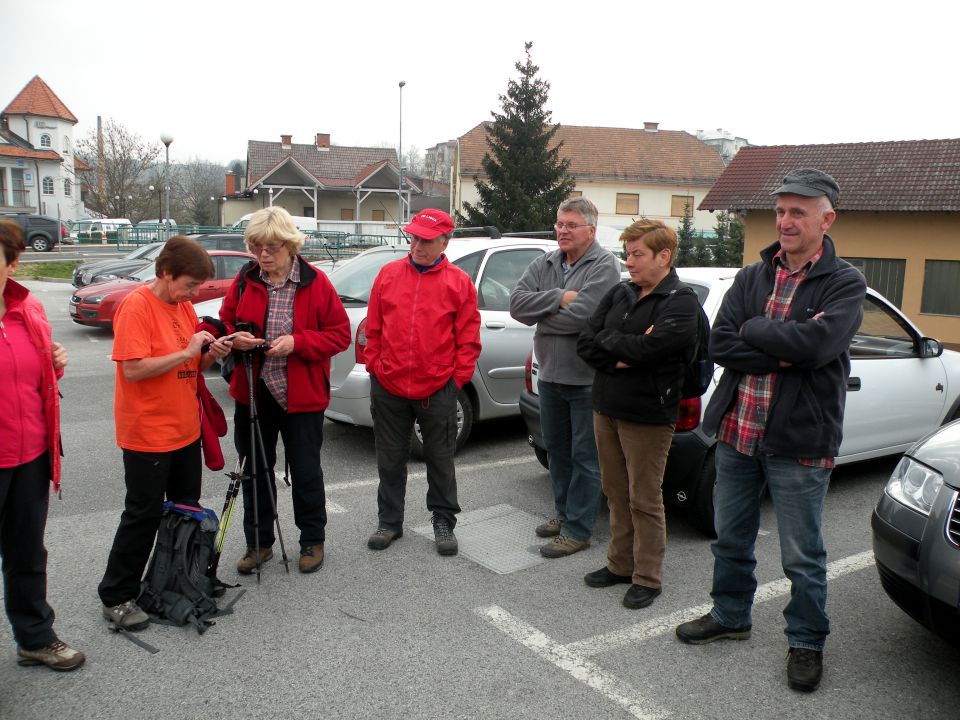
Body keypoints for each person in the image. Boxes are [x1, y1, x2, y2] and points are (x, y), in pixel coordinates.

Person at [675, 169, 867, 693]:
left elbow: (819, 346)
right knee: (730, 538)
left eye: (798, 211)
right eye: (781, 210)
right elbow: (720, 344)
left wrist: (759, 332)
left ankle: (806, 641)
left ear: (826, 219)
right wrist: (785, 349)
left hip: (800, 440)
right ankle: (730, 615)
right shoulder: (751, 276)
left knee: (802, 554)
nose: (785, 220)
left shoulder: (845, 282)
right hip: (738, 431)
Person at [98, 236, 231, 630]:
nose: (193, 293)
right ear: (165, 273)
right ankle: (117, 595)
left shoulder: (183, 305)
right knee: (143, 514)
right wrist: (189, 351)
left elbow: (190, 364)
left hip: (184, 427)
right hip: (147, 431)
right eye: (189, 284)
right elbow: (134, 369)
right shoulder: (136, 306)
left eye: (196, 287)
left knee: (185, 510)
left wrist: (210, 353)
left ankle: (180, 578)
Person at [219, 206, 350, 575]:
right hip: (253, 391)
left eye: (272, 247)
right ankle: (259, 543)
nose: (264, 254)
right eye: (257, 246)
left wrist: (298, 342)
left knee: (306, 471)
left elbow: (338, 334)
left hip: (302, 395)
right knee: (255, 471)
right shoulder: (246, 280)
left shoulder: (315, 282)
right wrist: (235, 336)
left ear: (291, 245)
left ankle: (312, 540)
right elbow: (226, 319)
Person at [577, 219, 698, 609]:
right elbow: (586, 342)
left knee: (644, 497)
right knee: (614, 492)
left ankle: (647, 576)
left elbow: (654, 350)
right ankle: (619, 564)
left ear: (663, 256)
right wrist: (621, 356)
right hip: (607, 405)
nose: (629, 262)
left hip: (648, 414)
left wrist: (618, 348)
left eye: (637, 254)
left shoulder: (681, 300)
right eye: (627, 254)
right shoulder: (620, 292)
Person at [364, 209, 481, 556]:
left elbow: (469, 339)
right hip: (389, 386)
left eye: (425, 240)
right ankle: (389, 522)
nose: (416, 245)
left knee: (440, 460)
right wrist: (375, 366)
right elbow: (374, 328)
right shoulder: (388, 275)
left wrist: (454, 381)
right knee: (389, 459)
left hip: (437, 389)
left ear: (444, 241)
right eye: (413, 237)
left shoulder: (459, 282)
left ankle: (443, 519)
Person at [509, 197, 621, 558]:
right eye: (559, 224)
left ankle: (578, 529)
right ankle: (563, 514)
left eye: (571, 225)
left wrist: (542, 312)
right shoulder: (546, 261)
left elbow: (586, 318)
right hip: (550, 377)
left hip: (586, 381)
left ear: (591, 229)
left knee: (585, 456)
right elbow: (516, 305)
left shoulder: (605, 266)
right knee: (556, 450)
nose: (562, 231)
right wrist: (559, 297)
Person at [0, 219, 84, 671]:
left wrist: (56, 363)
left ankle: (34, 636)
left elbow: (38, 380)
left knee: (27, 551)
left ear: (12, 264)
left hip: (29, 452)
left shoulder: (27, 309)